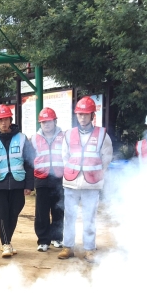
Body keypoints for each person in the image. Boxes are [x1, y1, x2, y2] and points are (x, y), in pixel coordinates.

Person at [59, 97, 113, 263]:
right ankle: (68, 247)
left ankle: (89, 249)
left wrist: (96, 173)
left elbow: (106, 157)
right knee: (69, 216)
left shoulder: (102, 135)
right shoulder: (69, 134)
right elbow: (64, 156)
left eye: (86, 114)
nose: (82, 117)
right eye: (80, 114)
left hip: (92, 183)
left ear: (92, 115)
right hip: (71, 182)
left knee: (89, 217)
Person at [0, 104, 34, 257]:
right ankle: (5, 244)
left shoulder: (22, 138)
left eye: (5, 119)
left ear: (10, 120)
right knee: (2, 214)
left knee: (14, 213)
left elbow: (30, 162)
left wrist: (29, 185)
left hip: (18, 183)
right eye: (0, 120)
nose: (3, 123)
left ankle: (7, 241)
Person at [31, 107, 66, 252]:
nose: (46, 124)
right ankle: (43, 240)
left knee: (58, 209)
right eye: (43, 122)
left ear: (55, 121)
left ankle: (57, 238)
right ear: (40, 124)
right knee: (41, 212)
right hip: (42, 179)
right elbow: (30, 159)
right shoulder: (34, 138)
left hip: (59, 178)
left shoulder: (64, 136)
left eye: (49, 121)